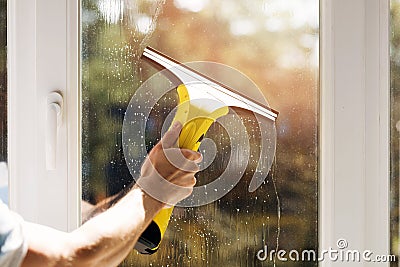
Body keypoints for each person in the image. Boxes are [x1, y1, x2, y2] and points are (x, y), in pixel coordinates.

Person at [0, 122, 202, 267]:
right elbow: (75, 259)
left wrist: (145, 185)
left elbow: (88, 217)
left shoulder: (7, 179)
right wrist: (152, 190)